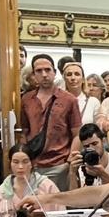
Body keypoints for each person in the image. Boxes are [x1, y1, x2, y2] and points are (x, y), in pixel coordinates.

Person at [19, 54, 82, 191]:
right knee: (34, 207)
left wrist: (70, 160)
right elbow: (24, 131)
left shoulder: (69, 99)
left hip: (60, 163)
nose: (44, 74)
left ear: (54, 72)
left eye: (48, 70)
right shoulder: (26, 99)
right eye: (39, 71)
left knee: (59, 207)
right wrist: (25, 159)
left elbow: (77, 133)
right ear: (34, 74)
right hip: (34, 164)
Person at [0, 144, 61, 216]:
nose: (20, 167)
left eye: (25, 162)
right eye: (16, 162)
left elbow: (61, 214)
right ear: (10, 163)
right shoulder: (3, 189)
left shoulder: (47, 186)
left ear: (32, 163)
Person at [68, 123, 109, 189]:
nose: (91, 148)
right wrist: (72, 173)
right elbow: (74, 197)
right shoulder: (83, 167)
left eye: (94, 143)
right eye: (86, 146)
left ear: (103, 141)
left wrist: (102, 174)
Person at [63, 60, 100, 127]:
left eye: (77, 74)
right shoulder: (58, 101)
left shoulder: (93, 102)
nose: (73, 78)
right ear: (64, 79)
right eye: (69, 74)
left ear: (83, 79)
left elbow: (97, 128)